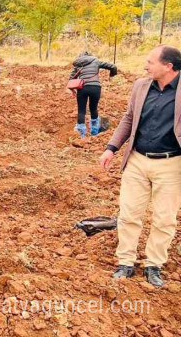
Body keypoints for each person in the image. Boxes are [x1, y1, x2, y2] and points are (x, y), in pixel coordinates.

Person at [99, 46, 181, 287]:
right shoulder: (141, 86)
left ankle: (153, 264)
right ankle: (125, 261)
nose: (145, 65)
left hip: (171, 164)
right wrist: (111, 148)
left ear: (168, 67)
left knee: (164, 219)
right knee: (129, 213)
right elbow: (128, 118)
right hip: (137, 159)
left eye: (150, 62)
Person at [69, 51, 118, 137]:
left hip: (82, 88)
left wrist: (73, 89)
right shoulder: (96, 61)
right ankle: (94, 131)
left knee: (81, 111)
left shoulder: (78, 64)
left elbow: (71, 78)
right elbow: (113, 67)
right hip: (95, 88)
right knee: (93, 109)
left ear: (80, 57)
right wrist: (112, 74)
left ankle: (80, 134)